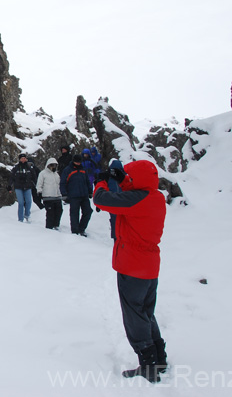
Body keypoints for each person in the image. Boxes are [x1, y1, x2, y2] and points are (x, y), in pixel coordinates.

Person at [93, 160, 168, 383]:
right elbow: (134, 192)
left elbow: (102, 199)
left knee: (134, 316)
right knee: (145, 313)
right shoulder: (154, 197)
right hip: (149, 266)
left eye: (130, 177)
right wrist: (122, 179)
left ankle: (148, 365)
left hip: (132, 266)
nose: (129, 180)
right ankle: (159, 358)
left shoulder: (137, 200)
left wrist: (100, 182)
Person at [59, 154, 93, 236]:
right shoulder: (68, 170)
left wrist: (90, 191)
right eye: (76, 162)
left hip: (84, 195)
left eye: (79, 162)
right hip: (73, 195)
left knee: (88, 211)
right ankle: (75, 231)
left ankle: (81, 229)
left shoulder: (83, 169)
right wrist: (64, 194)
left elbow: (87, 181)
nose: (78, 163)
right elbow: (63, 182)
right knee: (74, 214)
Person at [7, 153, 37, 223]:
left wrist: (34, 184)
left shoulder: (29, 167)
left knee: (29, 201)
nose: (23, 159)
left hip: (28, 186)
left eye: (24, 158)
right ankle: (20, 219)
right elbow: (11, 177)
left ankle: (27, 214)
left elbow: (34, 176)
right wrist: (9, 186)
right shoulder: (16, 167)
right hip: (18, 187)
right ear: (19, 159)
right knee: (20, 202)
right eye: (22, 158)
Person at [36, 158, 63, 230]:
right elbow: (39, 184)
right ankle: (49, 228)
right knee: (50, 213)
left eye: (55, 165)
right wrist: (39, 192)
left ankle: (56, 225)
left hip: (57, 196)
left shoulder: (56, 174)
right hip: (47, 197)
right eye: (52, 165)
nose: (53, 167)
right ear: (48, 165)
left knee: (59, 211)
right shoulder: (43, 173)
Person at [106, 159, 124, 239]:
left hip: (123, 201)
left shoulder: (124, 177)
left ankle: (121, 236)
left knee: (122, 220)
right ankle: (116, 237)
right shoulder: (108, 177)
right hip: (112, 201)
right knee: (114, 220)